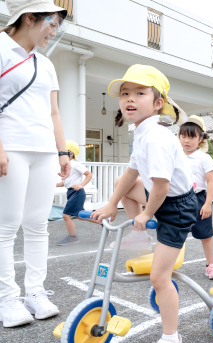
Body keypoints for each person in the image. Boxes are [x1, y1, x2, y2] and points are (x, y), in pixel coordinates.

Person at [92, 64, 196, 343]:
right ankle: (140, 239)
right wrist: (112, 204)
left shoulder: (157, 137)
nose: (129, 98)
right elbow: (131, 173)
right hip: (160, 197)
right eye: (125, 93)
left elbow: (161, 185)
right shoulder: (142, 132)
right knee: (121, 185)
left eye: (139, 93)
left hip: (176, 207)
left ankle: (171, 336)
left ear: (158, 103)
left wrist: (147, 213)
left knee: (159, 278)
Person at [0, 0, 71, 328]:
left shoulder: (45, 64)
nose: (53, 32)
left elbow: (53, 112)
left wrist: (62, 152)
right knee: (6, 226)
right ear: (30, 17)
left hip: (43, 151)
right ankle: (7, 299)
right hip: (10, 147)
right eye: (51, 23)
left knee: (38, 224)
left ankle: (35, 292)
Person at [179, 115, 213, 280]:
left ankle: (211, 265)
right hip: (179, 199)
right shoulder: (175, 155)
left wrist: (208, 204)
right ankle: (166, 266)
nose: (186, 141)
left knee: (206, 234)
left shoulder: (204, 158)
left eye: (191, 137)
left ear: (201, 138)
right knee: (174, 234)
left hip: (199, 200)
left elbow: (210, 182)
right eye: (183, 136)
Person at [56, 140, 93, 245]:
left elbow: (89, 174)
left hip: (77, 192)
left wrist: (81, 185)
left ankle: (72, 238)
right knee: (80, 216)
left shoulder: (76, 164)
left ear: (71, 153)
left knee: (66, 215)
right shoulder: (67, 166)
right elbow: (64, 183)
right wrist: (53, 184)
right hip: (71, 192)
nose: (60, 154)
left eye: (63, 151)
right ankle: (103, 220)